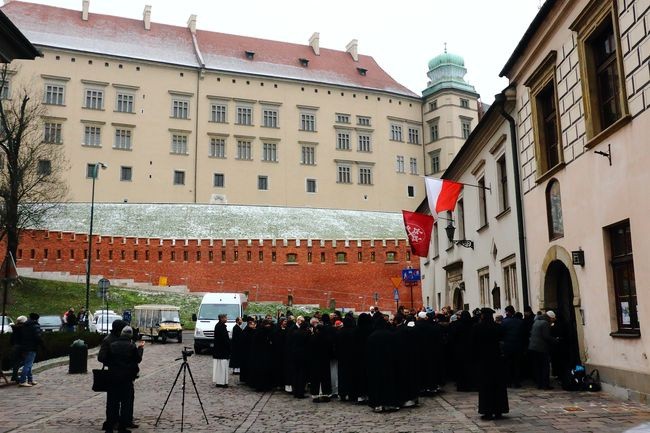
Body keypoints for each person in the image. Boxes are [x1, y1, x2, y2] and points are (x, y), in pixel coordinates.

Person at [106, 326, 144, 433]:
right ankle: (122, 427)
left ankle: (109, 428)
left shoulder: (112, 345)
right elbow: (138, 359)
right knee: (125, 403)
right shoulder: (131, 347)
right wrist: (140, 348)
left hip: (113, 378)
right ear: (130, 336)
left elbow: (106, 359)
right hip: (126, 379)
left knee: (113, 403)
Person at [474, 308, 509, 420]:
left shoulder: (477, 328)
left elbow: (474, 344)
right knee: (498, 385)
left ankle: (487, 411)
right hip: (496, 359)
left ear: (483, 316)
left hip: (483, 360)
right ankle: (499, 410)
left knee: (486, 386)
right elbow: (503, 339)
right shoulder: (497, 327)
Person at [98, 319, 129, 432]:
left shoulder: (122, 339)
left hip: (124, 373)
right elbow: (101, 357)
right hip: (113, 373)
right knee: (112, 401)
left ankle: (122, 422)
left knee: (124, 400)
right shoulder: (108, 340)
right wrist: (113, 360)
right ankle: (111, 422)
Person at [528, 310, 557, 390]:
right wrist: (555, 340)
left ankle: (539, 384)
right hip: (541, 348)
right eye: (553, 319)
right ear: (550, 317)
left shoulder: (536, 321)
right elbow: (546, 336)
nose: (553, 320)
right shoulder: (545, 323)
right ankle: (545, 385)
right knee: (545, 367)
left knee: (538, 367)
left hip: (533, 347)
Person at [18, 313, 44, 387]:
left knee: (28, 364)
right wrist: (43, 346)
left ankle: (30, 380)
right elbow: (38, 337)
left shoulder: (25, 325)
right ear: (37, 319)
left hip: (24, 347)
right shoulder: (35, 325)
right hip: (32, 347)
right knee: (28, 364)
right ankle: (22, 381)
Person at [213, 314, 230, 388]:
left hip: (222, 350)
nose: (226, 319)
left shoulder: (221, 326)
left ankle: (223, 382)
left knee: (223, 366)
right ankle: (221, 382)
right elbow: (224, 339)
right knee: (221, 367)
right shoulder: (220, 326)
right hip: (221, 351)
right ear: (222, 318)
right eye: (225, 318)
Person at [9, 316, 27, 383]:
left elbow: (11, 339)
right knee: (24, 361)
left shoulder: (14, 328)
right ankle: (16, 376)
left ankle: (14, 376)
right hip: (21, 347)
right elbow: (25, 338)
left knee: (16, 362)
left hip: (15, 346)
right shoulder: (23, 328)